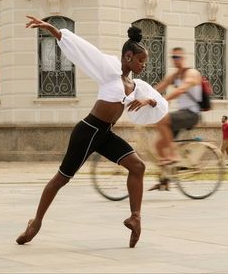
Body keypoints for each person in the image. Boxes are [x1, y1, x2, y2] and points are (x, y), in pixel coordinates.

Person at [16, 16, 168, 248]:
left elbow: (159, 103)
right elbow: (84, 50)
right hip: (87, 131)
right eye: (141, 60)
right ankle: (35, 223)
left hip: (104, 134)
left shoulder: (136, 86)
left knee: (138, 167)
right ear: (128, 57)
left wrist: (148, 101)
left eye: (144, 62)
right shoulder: (108, 69)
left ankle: (135, 218)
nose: (143, 65)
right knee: (61, 180)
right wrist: (53, 31)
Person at [149, 47, 202, 190]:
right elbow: (159, 87)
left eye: (178, 57)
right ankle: (165, 180)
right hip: (182, 114)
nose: (175, 59)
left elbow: (181, 89)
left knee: (161, 119)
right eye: (173, 57)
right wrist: (143, 97)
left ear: (183, 58)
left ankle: (173, 155)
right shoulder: (174, 76)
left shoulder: (192, 73)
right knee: (159, 145)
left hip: (192, 114)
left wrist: (164, 100)